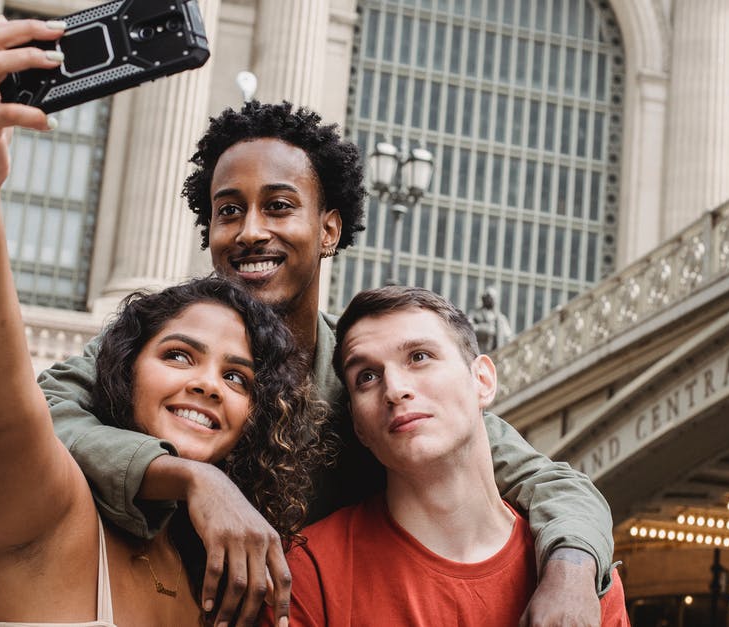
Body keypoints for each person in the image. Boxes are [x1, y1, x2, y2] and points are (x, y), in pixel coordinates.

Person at [42, 101, 616, 625]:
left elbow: (551, 483)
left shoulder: (372, 382)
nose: (250, 231)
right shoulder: (158, 346)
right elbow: (37, 415)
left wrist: (569, 576)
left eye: (279, 206)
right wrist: (191, 478)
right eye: (228, 211)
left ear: (329, 229)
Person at [0, 17, 327, 625]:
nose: (207, 383)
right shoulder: (50, 508)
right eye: (179, 355)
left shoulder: (205, 572)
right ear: (121, 371)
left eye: (238, 378)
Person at [272, 286, 629, 626]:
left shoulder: (580, 585)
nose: (395, 390)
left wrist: (572, 575)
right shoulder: (308, 575)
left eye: (419, 357)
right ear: (357, 424)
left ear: (483, 381)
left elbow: (561, 486)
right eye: (366, 376)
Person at [469, 285, 514, 352]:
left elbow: (508, 336)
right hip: (479, 350)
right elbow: (468, 328)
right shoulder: (475, 313)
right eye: (489, 297)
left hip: (494, 352)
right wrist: (484, 329)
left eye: (493, 298)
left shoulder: (500, 318)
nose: (491, 300)